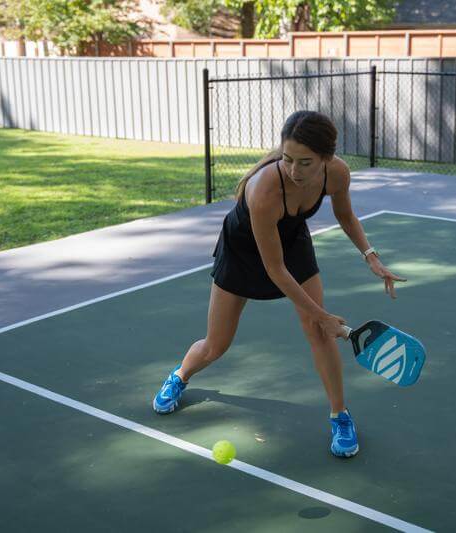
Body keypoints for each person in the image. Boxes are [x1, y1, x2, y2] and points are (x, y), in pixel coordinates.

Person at [152, 110, 406, 458]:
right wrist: (324, 315)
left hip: (291, 239)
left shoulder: (338, 174)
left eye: (305, 162)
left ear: (326, 159)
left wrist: (371, 256)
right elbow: (274, 269)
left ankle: (340, 415)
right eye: (287, 159)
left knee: (316, 333)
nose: (293, 170)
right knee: (217, 344)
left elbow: (345, 215)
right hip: (243, 249)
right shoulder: (264, 190)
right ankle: (180, 376)